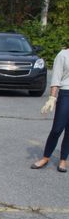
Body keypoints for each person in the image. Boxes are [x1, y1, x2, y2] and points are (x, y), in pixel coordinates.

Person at [31, 45, 69, 173]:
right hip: (66, 93)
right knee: (57, 128)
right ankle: (45, 157)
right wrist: (52, 97)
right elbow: (56, 77)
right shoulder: (63, 54)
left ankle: (63, 159)